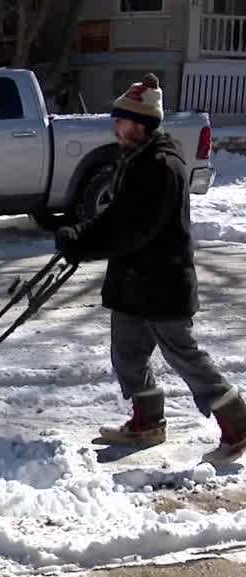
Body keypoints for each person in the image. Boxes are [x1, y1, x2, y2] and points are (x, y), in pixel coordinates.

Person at [54, 73, 246, 465]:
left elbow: (134, 230)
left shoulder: (160, 166)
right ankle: (147, 422)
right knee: (127, 353)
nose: (115, 127)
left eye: (121, 120)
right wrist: (80, 234)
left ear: (140, 124)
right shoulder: (134, 158)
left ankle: (237, 422)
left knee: (183, 355)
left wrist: (84, 245)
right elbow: (116, 216)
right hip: (134, 282)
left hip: (162, 283)